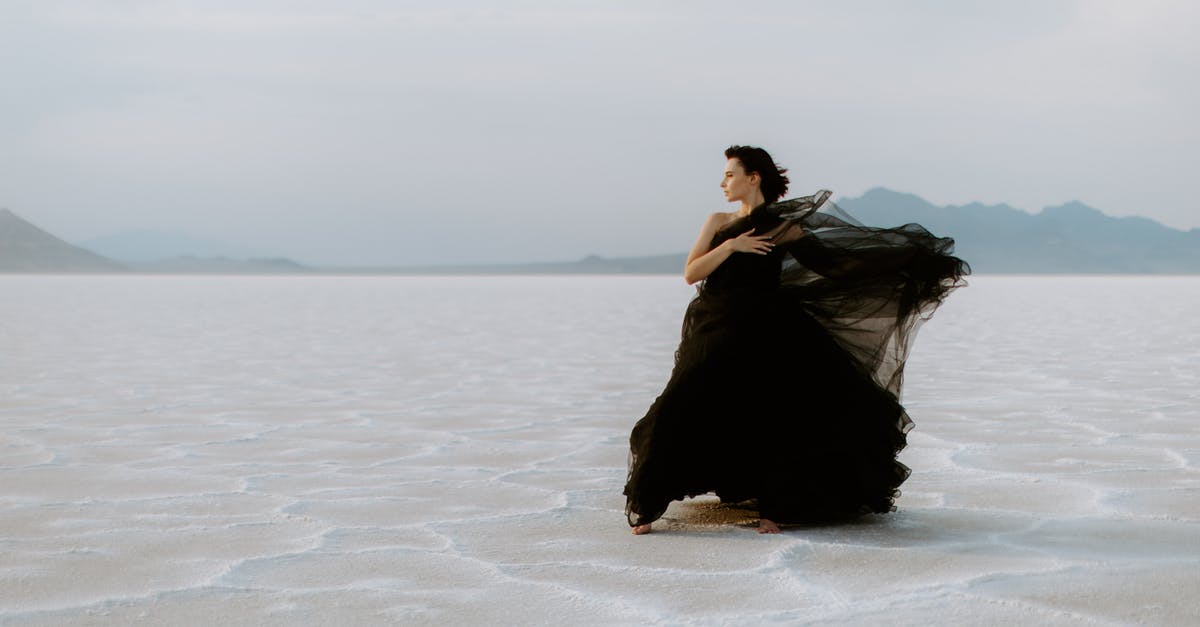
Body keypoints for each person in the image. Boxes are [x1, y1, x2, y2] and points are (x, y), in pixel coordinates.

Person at [624, 145, 969, 535]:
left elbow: (834, 266)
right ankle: (649, 505)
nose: (723, 183)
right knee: (681, 403)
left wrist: (907, 264)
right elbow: (691, 272)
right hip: (715, 326)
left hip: (768, 328)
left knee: (777, 415)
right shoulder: (719, 222)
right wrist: (731, 246)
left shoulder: (784, 227)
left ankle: (777, 507)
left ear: (754, 178)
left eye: (730, 175)